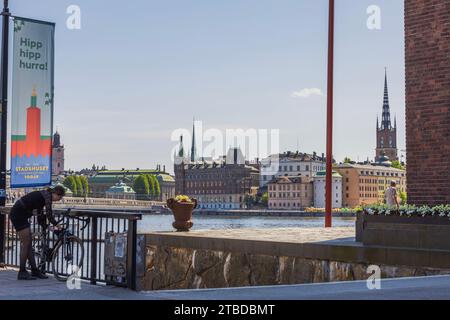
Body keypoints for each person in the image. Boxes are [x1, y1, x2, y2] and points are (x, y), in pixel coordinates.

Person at [9, 186, 66, 280]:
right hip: (19, 215)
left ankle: (34, 270)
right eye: (60, 198)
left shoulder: (43, 195)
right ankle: (22, 272)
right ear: (56, 194)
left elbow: (40, 216)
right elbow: (49, 214)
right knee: (26, 243)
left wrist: (47, 227)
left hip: (20, 213)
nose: (59, 200)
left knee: (28, 244)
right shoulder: (47, 197)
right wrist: (57, 225)